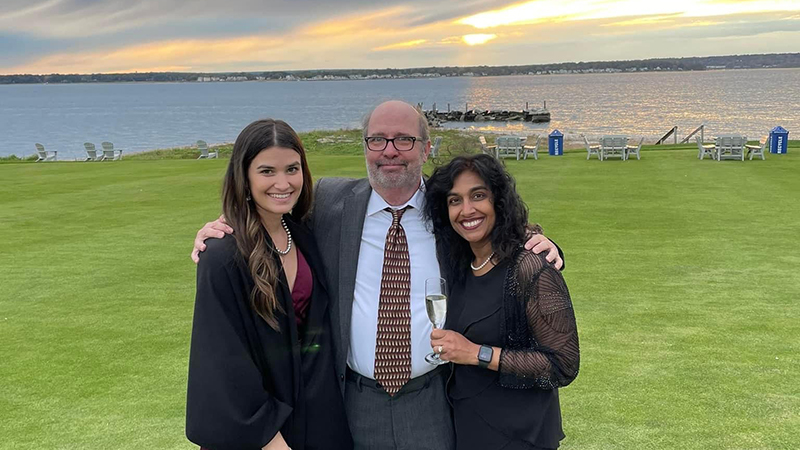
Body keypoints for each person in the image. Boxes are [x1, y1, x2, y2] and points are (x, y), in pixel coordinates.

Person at [191, 100, 565, 450]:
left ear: (426, 148)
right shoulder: (331, 204)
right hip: (350, 402)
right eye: (377, 140)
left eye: (404, 140)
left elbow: (493, 226)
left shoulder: (447, 211)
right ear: (365, 147)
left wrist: (539, 241)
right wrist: (224, 227)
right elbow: (272, 215)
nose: (390, 150)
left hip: (433, 399)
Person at [185, 119, 352, 450]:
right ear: (244, 176)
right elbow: (223, 359)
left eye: (292, 169)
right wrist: (272, 442)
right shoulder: (222, 254)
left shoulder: (305, 236)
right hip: (258, 435)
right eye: (267, 171)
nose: (283, 182)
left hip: (317, 422)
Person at [424, 154, 579, 450]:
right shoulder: (460, 263)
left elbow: (563, 365)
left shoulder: (529, 267)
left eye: (478, 196)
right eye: (455, 200)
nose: (466, 210)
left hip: (519, 435)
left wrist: (475, 353)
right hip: (468, 426)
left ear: (499, 201)